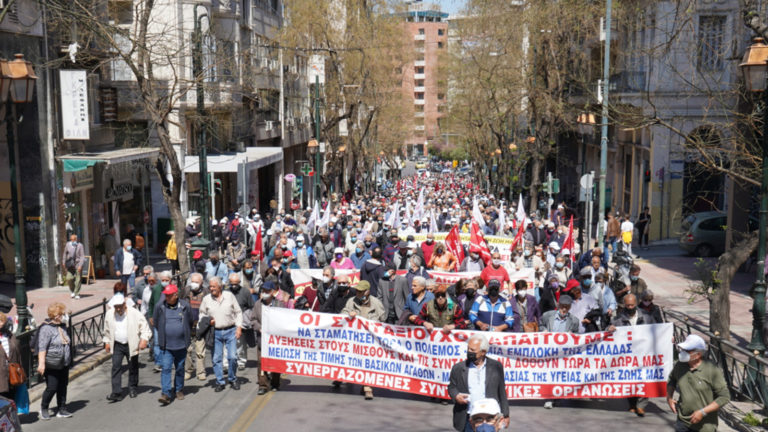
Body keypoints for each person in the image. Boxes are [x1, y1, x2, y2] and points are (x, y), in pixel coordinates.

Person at [667, 334, 730, 432]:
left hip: (705, 426)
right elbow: (672, 379)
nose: (683, 353)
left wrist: (703, 412)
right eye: (683, 350)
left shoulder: (711, 370)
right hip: (682, 422)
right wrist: (669, 398)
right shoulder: (680, 366)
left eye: (687, 351)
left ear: (698, 354)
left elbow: (724, 397)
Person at [448, 333, 510, 432]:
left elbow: (502, 391)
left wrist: (506, 414)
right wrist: (456, 396)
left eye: (472, 350)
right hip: (469, 418)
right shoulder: (458, 368)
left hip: (490, 418)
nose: (469, 352)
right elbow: (452, 387)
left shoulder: (496, 367)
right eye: (468, 349)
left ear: (483, 352)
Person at [341, 280, 386, 399]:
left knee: (368, 363)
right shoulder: (351, 301)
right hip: (355, 338)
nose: (358, 293)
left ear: (367, 291)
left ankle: (368, 387)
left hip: (370, 339)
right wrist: (349, 314)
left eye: (361, 291)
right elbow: (343, 314)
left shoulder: (376, 303)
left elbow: (383, 319)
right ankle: (344, 378)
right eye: (357, 291)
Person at [103, 293, 151, 401]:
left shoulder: (134, 313)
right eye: (116, 307)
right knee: (116, 366)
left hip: (131, 343)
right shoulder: (110, 314)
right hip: (117, 344)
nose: (118, 309)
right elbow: (106, 330)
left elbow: (144, 327)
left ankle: (132, 387)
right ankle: (116, 392)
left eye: (120, 306)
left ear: (124, 304)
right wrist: (106, 342)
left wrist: (144, 339)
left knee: (133, 366)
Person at [614, 294, 656, 417]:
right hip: (627, 356)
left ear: (636, 304)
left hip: (644, 353)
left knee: (643, 378)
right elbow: (610, 331)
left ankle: (641, 405)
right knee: (630, 379)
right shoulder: (619, 319)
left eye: (632, 305)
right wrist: (609, 328)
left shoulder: (647, 317)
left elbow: (658, 329)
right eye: (628, 305)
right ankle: (632, 403)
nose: (630, 307)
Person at [199, 276, 243, 392]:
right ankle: (220, 381)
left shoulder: (229, 296)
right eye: (210, 286)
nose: (211, 288)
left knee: (232, 357)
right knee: (216, 359)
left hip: (230, 330)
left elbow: (238, 312)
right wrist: (208, 321)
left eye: (214, 286)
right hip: (215, 332)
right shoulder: (206, 299)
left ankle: (232, 378)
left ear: (220, 286)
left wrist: (239, 327)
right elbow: (202, 314)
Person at [153, 284, 193, 405]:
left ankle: (179, 389)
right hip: (166, 346)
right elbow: (156, 322)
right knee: (166, 368)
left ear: (176, 295)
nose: (167, 297)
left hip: (181, 345)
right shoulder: (160, 306)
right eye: (165, 295)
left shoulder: (185, 306)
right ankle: (165, 393)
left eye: (169, 295)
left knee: (180, 368)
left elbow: (190, 322)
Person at [539, 295, 579, 409]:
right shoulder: (547, 315)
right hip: (549, 351)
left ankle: (557, 397)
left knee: (560, 375)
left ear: (570, 307)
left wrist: (573, 336)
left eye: (567, 307)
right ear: (558, 305)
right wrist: (544, 330)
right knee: (550, 374)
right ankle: (549, 398)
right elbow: (540, 325)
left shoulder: (574, 320)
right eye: (562, 307)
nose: (564, 309)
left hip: (564, 354)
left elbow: (578, 337)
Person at [37, 302, 73, 420]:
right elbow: (42, 347)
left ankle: (62, 408)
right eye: (61, 314)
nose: (63, 316)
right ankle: (44, 408)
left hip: (64, 362)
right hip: (52, 363)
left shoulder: (62, 326)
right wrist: (41, 363)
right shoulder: (46, 328)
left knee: (63, 385)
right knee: (52, 387)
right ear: (56, 315)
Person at [252, 281, 287, 394]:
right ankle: (263, 385)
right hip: (262, 340)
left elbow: (284, 321)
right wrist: (259, 328)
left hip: (275, 340)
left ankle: (275, 383)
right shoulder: (258, 304)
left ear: (273, 292)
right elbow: (252, 320)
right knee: (261, 362)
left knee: (275, 362)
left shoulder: (279, 305)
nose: (264, 293)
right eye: (263, 291)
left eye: (267, 291)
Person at [183, 273, 209, 382]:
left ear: (201, 283)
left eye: (196, 282)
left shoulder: (206, 292)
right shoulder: (186, 290)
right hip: (187, 326)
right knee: (187, 350)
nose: (194, 284)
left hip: (200, 326)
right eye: (192, 281)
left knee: (200, 351)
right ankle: (188, 370)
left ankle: (201, 372)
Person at [227, 273, 255, 370]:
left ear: (239, 282)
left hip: (241, 320)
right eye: (232, 283)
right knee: (228, 343)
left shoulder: (245, 292)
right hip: (229, 320)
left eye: (236, 283)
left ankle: (241, 361)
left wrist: (248, 319)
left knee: (240, 342)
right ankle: (227, 363)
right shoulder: (226, 292)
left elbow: (251, 306)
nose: (234, 285)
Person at [0, 312, 20, 399]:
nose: (0, 323)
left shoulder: (8, 334)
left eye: (1, 321)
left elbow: (16, 351)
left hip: (10, 372)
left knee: (11, 398)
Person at [61, 234, 85, 299]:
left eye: (74, 239)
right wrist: (63, 262)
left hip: (77, 264)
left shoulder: (80, 245)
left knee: (78, 279)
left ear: (76, 239)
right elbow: (64, 254)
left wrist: (80, 265)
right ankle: (73, 291)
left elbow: (82, 256)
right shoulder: (68, 244)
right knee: (69, 278)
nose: (72, 240)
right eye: (71, 239)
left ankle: (77, 293)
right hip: (70, 264)